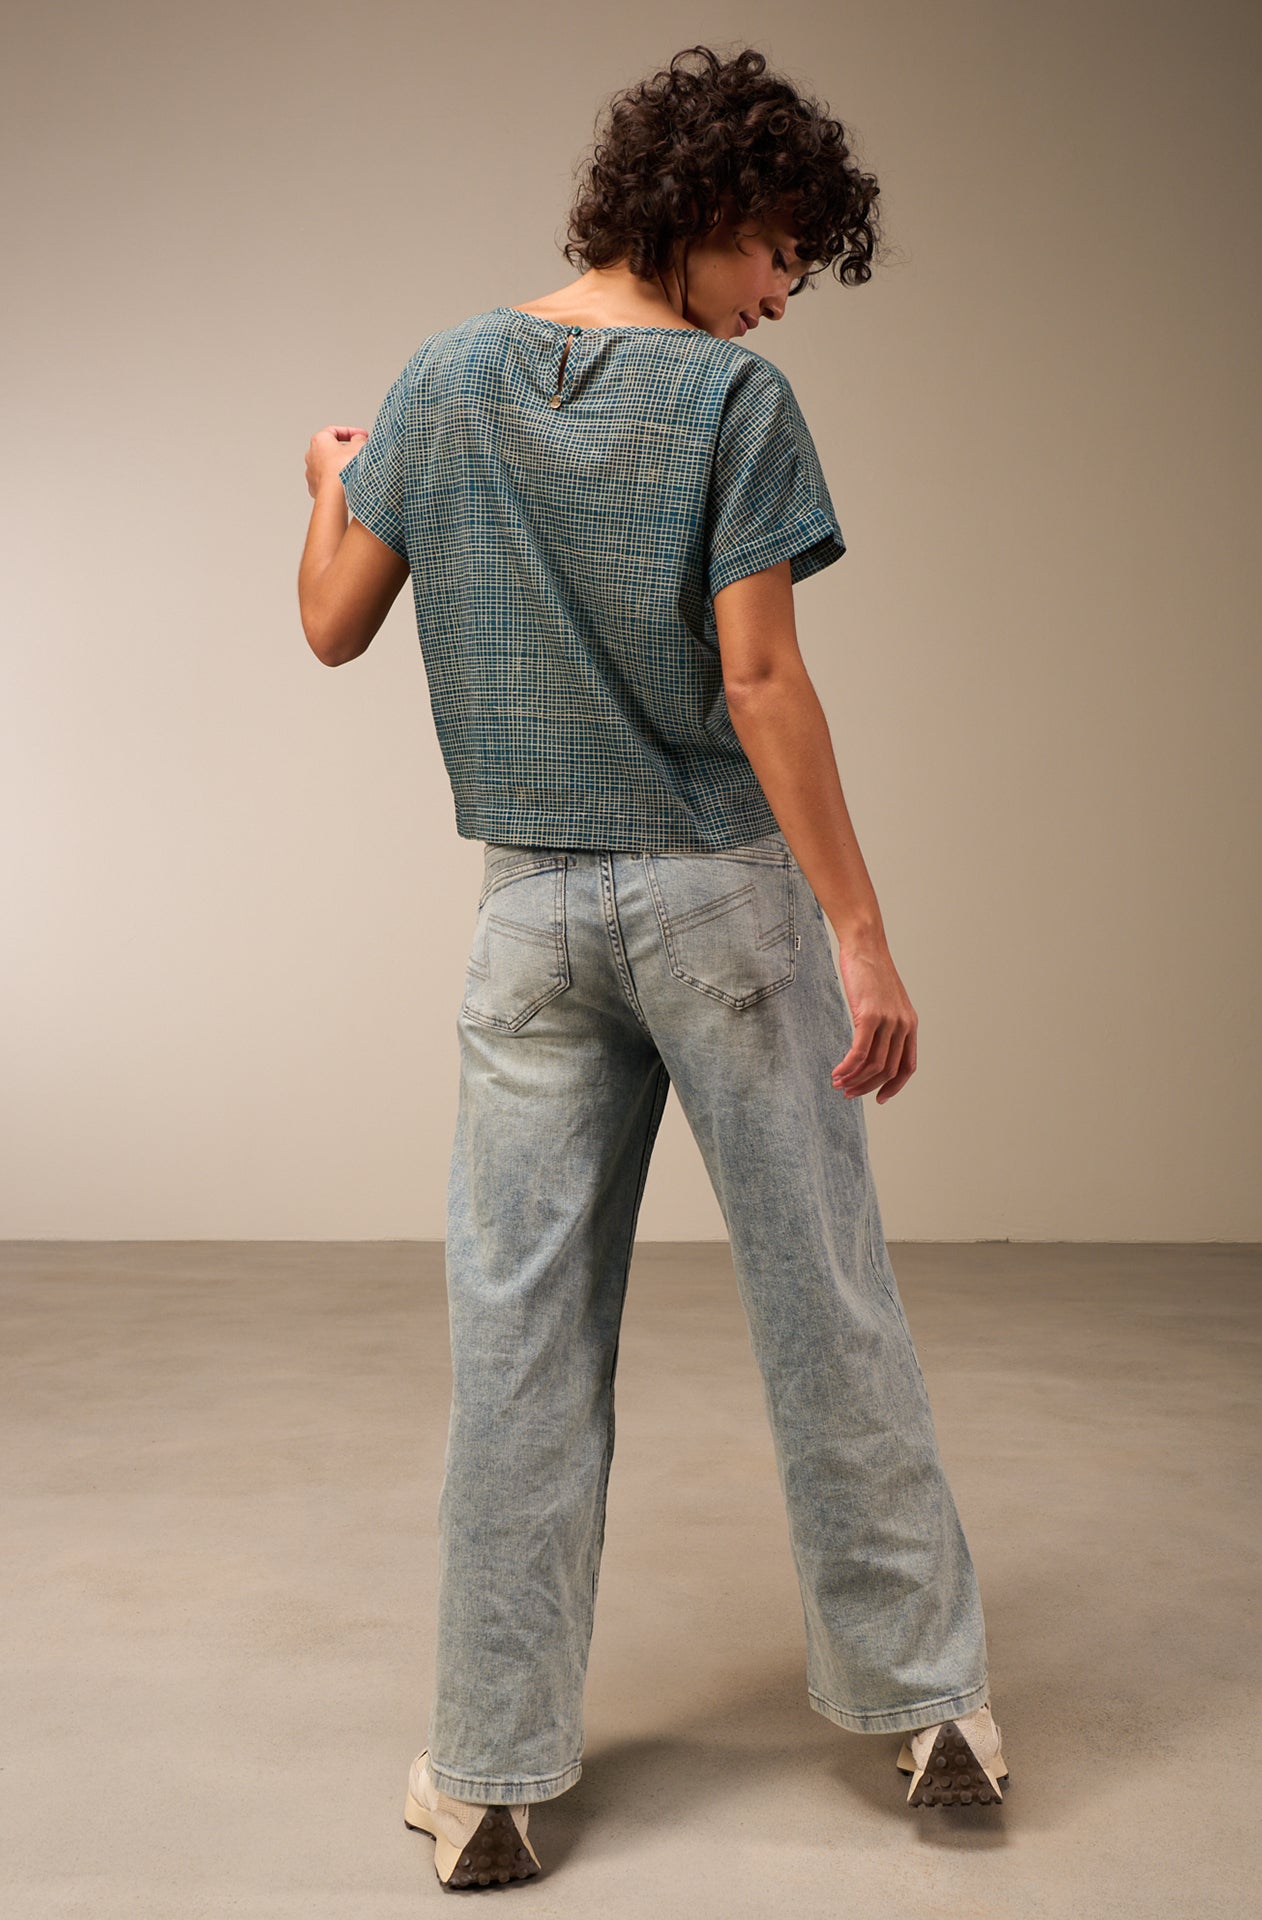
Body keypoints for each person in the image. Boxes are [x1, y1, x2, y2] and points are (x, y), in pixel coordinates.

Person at [298, 42, 1007, 1892]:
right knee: (826, 1302)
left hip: (528, 924)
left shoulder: (440, 377)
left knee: (517, 1341)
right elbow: (760, 683)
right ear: (701, 211)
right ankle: (931, 1707)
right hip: (720, 910)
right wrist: (865, 935)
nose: (782, 294)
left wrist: (329, 481)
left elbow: (329, 623)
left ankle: (487, 1778)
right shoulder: (731, 403)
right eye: (777, 250)